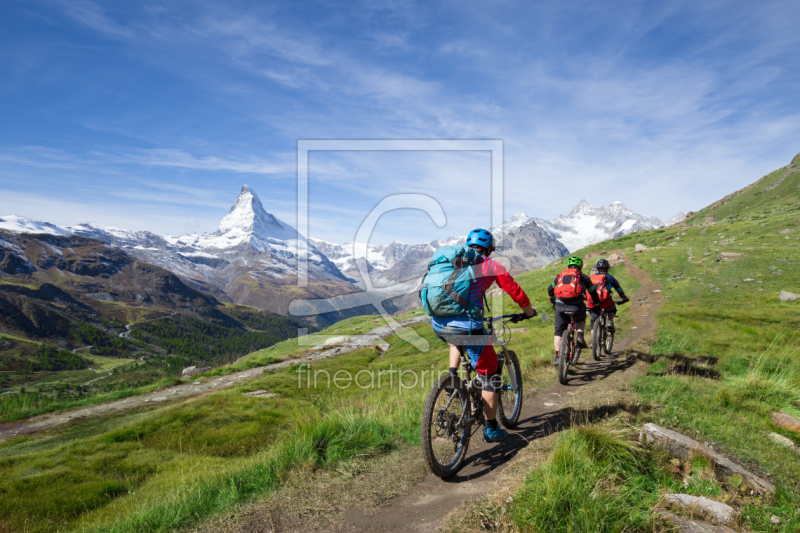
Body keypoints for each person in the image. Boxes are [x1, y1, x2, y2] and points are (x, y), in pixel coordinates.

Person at [430, 229, 536, 443]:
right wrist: (528, 312)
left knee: (456, 338)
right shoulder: (490, 265)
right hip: (468, 327)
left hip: (438, 324)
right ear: (489, 249)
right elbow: (515, 291)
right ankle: (491, 428)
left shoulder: (452, 262)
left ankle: (452, 376)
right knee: (491, 374)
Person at [547, 255, 600, 365]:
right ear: (580, 267)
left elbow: (550, 288)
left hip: (560, 306)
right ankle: (580, 336)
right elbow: (592, 292)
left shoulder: (560, 276)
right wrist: (596, 303)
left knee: (558, 331)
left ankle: (557, 356)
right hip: (576, 306)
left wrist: (552, 299)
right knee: (581, 319)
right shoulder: (583, 277)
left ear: (568, 266)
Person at [587, 258, 630, 334]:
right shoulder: (610, 277)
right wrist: (624, 298)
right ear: (608, 268)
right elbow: (619, 289)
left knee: (593, 321)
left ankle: (592, 342)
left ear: (597, 268)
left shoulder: (592, 277)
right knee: (612, 309)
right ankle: (609, 321)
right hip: (605, 302)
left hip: (593, 303)